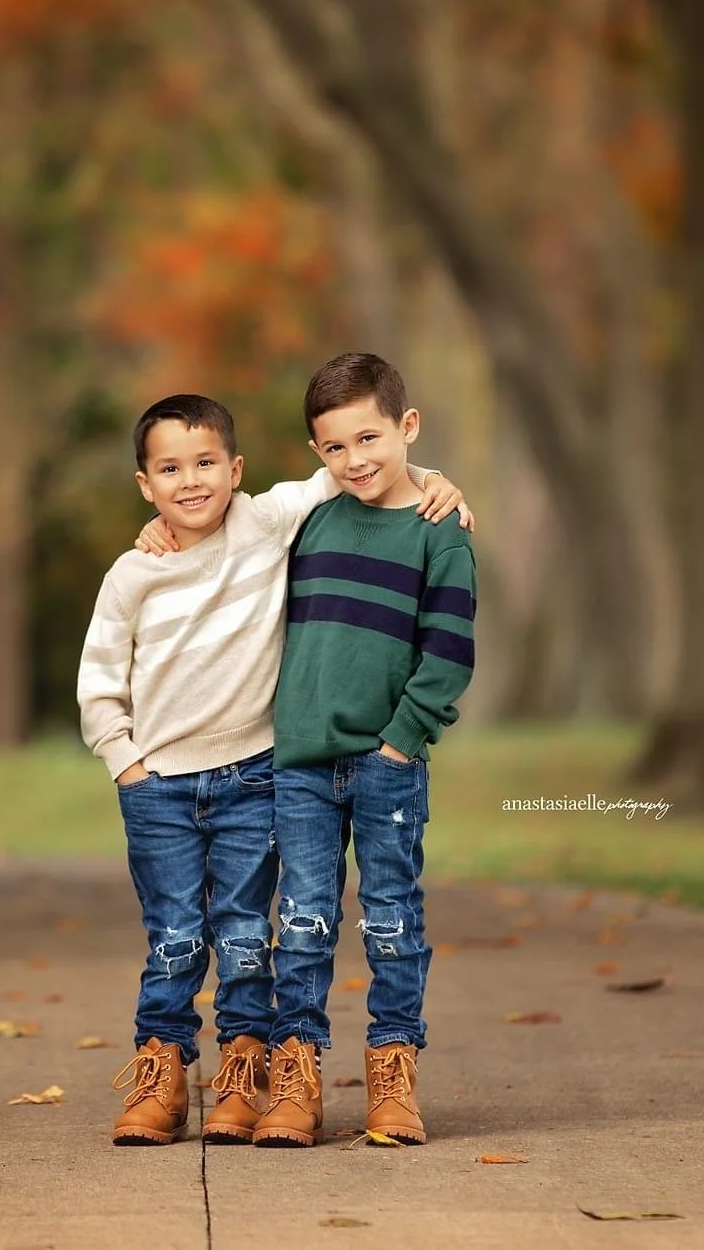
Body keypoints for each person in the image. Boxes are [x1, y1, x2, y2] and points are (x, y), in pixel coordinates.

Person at [78, 392, 467, 1145]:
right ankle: (162, 1071)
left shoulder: (265, 521)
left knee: (248, 934)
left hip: (254, 773)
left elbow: (359, 469)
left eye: (205, 463)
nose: (190, 481)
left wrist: (435, 479)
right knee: (174, 935)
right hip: (157, 783)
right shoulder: (133, 572)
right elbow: (99, 678)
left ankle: (245, 1072)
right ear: (145, 485)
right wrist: (125, 762)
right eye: (169, 469)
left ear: (236, 470)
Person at [251, 353, 477, 1149]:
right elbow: (221, 538)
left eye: (369, 437)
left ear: (407, 425)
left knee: (391, 920)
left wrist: (399, 744)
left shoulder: (441, 533)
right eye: (335, 447)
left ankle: (392, 1073)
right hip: (302, 764)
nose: (355, 459)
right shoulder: (309, 520)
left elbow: (448, 653)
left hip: (388, 765)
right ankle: (296, 1076)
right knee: (302, 921)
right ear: (317, 452)